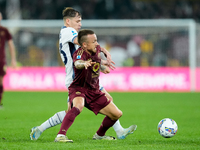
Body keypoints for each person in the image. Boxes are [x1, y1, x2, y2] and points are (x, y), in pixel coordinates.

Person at [30, 7, 136, 140]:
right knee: (75, 109)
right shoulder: (68, 31)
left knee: (104, 101)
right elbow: (83, 44)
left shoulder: (75, 39)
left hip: (86, 78)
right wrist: (103, 50)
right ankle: (48, 131)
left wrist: (101, 65)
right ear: (68, 21)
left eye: (81, 21)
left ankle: (116, 131)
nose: (80, 24)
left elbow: (88, 54)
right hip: (76, 79)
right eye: (77, 21)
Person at [55, 29, 136, 142]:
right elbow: (77, 64)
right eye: (94, 41)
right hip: (79, 88)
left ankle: (99, 135)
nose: (97, 43)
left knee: (117, 114)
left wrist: (103, 67)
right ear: (84, 44)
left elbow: (96, 61)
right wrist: (84, 63)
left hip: (94, 90)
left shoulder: (96, 49)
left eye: (96, 40)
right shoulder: (79, 54)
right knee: (78, 106)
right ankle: (60, 136)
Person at [0, 12, 17, 108]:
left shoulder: (4, 30)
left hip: (1, 60)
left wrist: (13, 59)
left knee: (0, 81)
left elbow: (11, 45)